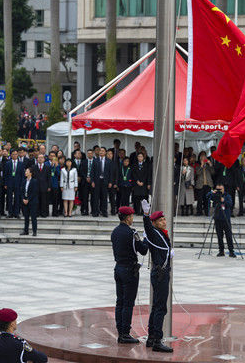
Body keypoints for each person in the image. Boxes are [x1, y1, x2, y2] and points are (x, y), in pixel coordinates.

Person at [140, 201, 173, 353]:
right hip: (160, 274)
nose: (164, 222)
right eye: (160, 220)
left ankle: (152, 337)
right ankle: (157, 341)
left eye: (164, 219)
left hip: (161, 272)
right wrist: (146, 215)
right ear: (154, 223)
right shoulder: (153, 232)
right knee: (161, 308)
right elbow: (148, 227)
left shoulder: (161, 233)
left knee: (156, 306)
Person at [112, 206, 148, 343]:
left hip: (118, 268)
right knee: (128, 303)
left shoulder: (115, 231)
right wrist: (145, 239)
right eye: (131, 216)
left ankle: (120, 331)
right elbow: (143, 250)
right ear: (127, 218)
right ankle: (125, 333)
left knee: (120, 301)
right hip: (129, 270)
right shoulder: (132, 233)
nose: (132, 218)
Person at [207, 184, 235, 258]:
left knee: (228, 236)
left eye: (221, 189)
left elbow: (230, 204)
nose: (219, 191)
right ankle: (221, 251)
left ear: (224, 189)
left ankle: (231, 251)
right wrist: (212, 192)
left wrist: (224, 200)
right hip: (217, 218)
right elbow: (207, 197)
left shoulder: (227, 196)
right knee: (219, 236)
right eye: (218, 189)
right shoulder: (215, 195)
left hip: (226, 218)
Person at [92, 148, 113, 217]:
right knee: (96, 197)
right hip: (97, 181)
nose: (101, 152)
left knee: (104, 197)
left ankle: (104, 212)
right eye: (100, 151)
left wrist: (110, 182)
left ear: (105, 152)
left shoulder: (109, 161)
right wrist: (92, 181)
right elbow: (92, 171)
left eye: (103, 151)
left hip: (105, 181)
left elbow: (111, 173)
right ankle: (95, 212)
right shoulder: (95, 160)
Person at [4, 150, 24, 218]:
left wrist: (22, 184)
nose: (15, 155)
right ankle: (10, 212)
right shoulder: (8, 163)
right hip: (9, 183)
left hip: (18, 183)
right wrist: (5, 184)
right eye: (13, 154)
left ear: (17, 155)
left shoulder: (21, 164)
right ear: (11, 155)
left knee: (17, 198)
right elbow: (5, 174)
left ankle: (16, 213)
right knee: (9, 198)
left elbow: (22, 175)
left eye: (16, 154)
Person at [20, 167, 38, 236]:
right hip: (25, 201)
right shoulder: (24, 181)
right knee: (26, 217)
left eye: (27, 171)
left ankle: (34, 231)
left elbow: (34, 192)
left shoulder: (34, 181)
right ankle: (26, 231)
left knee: (33, 217)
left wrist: (28, 199)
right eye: (25, 171)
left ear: (31, 173)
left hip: (32, 201)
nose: (25, 172)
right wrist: (23, 199)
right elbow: (22, 191)